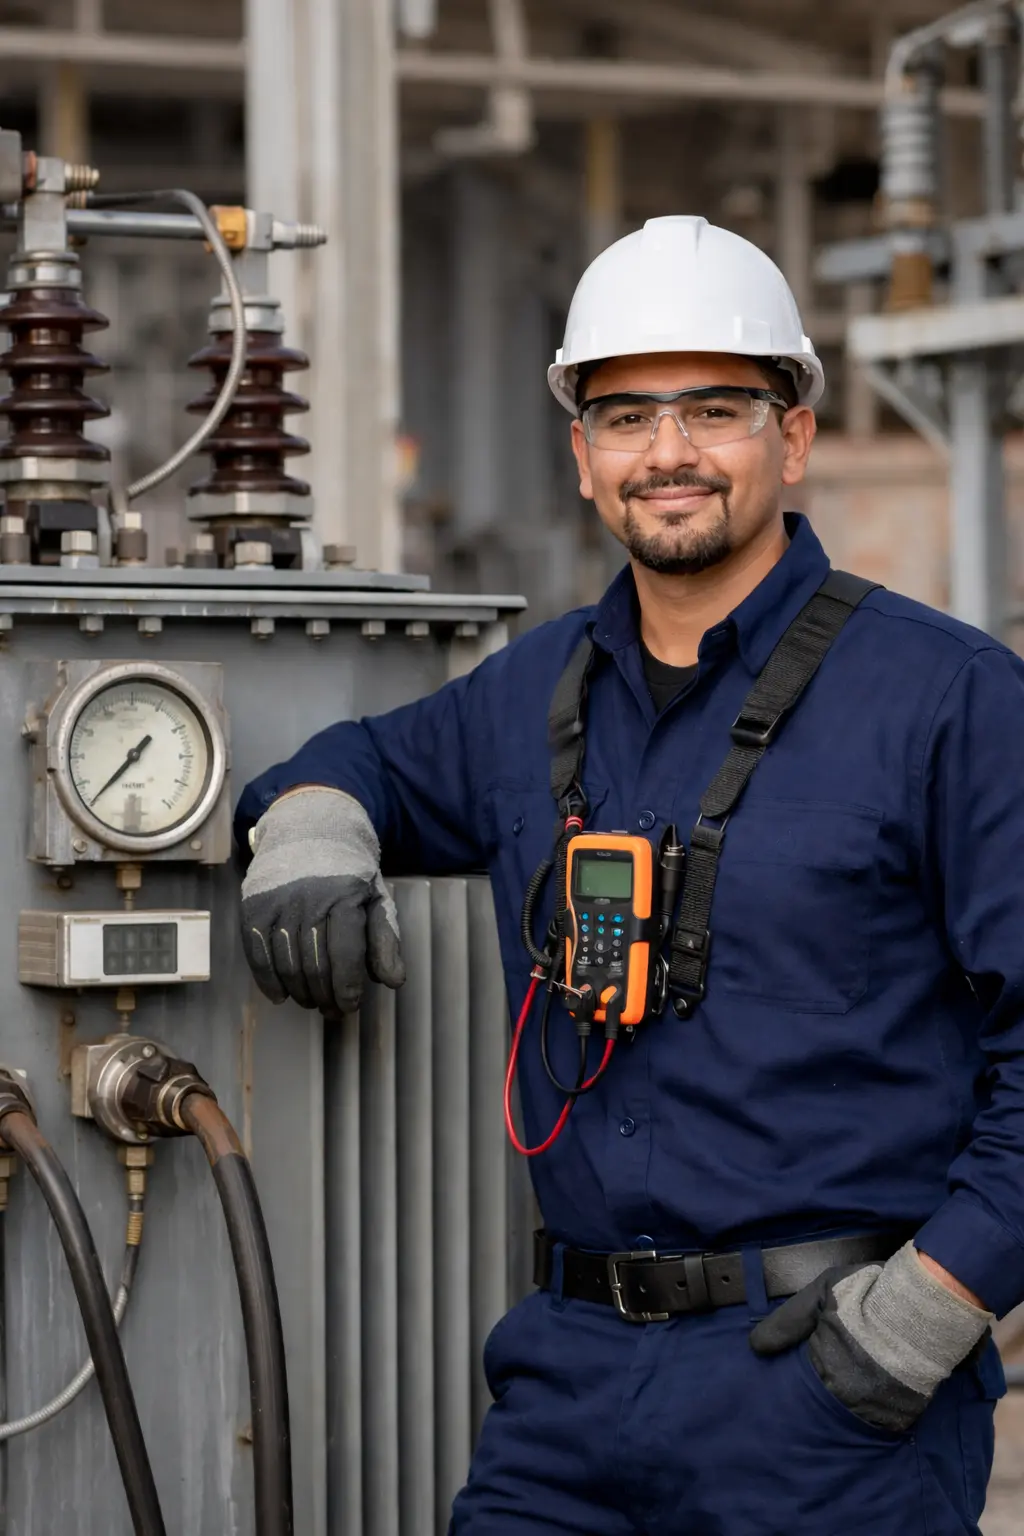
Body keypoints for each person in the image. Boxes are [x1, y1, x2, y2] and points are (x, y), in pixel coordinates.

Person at [234, 215, 1024, 1535]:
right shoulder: (528, 698)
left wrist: (928, 1311)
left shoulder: (949, 701)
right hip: (567, 1394)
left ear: (794, 434)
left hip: (830, 1398)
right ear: (584, 456)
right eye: (626, 414)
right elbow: (362, 757)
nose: (668, 452)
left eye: (716, 408)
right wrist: (311, 825)